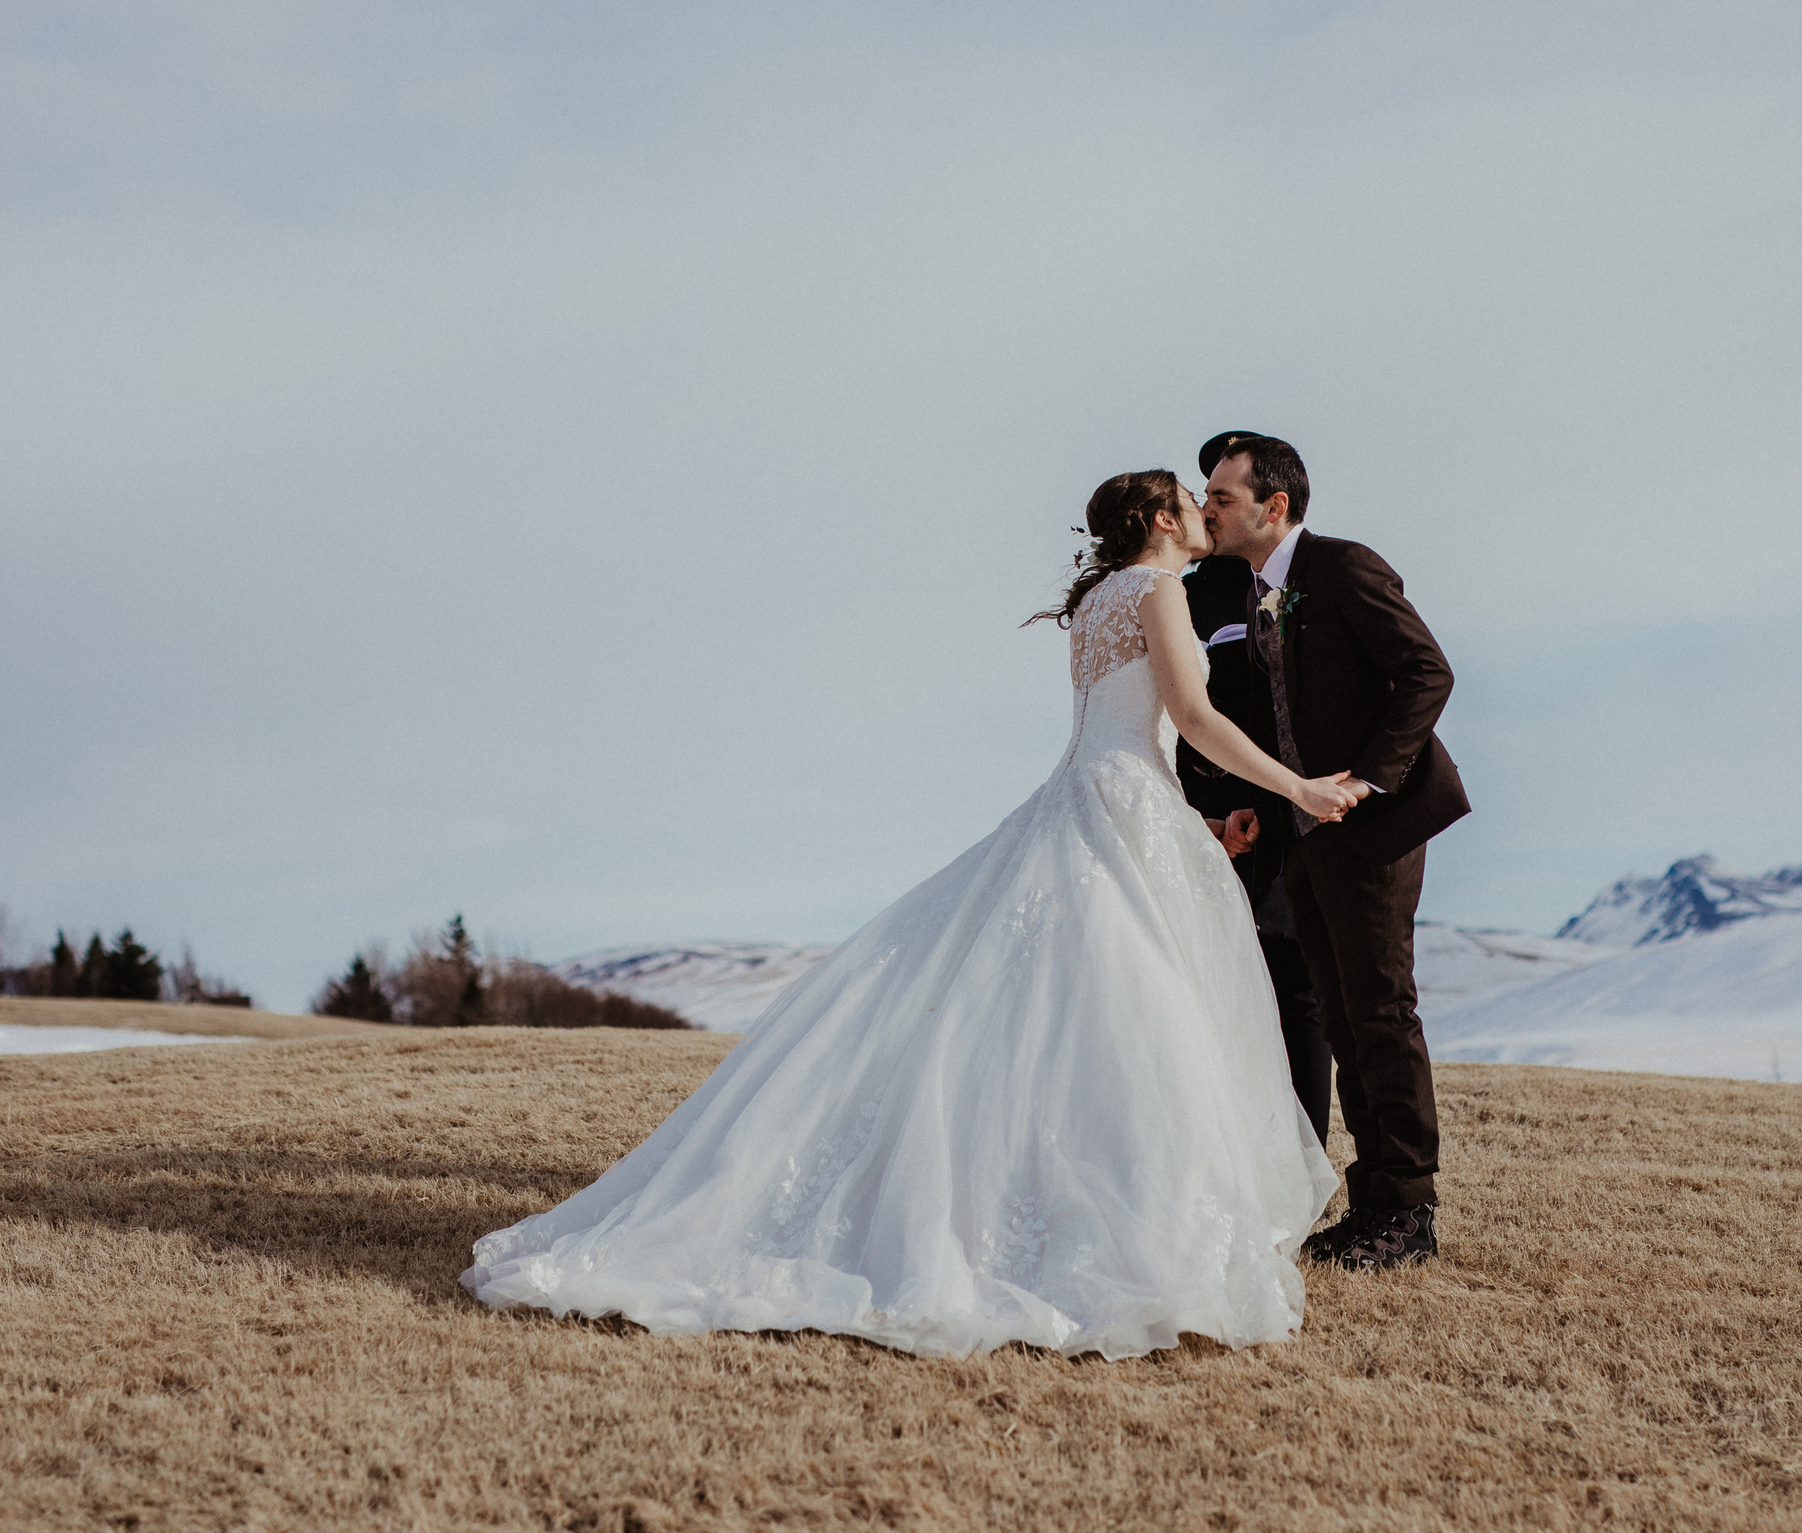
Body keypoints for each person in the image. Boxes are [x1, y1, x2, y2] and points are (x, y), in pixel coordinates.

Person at [462, 470, 1357, 1358]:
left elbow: (1121, 733)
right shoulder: (1159, 590)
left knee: (1076, 1014)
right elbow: (1190, 717)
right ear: (1161, 518)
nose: (1205, 510)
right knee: (1130, 1018)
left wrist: (1199, 820)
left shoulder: (1098, 603)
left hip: (1090, 799)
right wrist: (1298, 787)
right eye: (1192, 500)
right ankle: (1127, 1224)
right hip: (1123, 808)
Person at [1201, 436, 1469, 1271]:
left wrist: (1367, 779)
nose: (1207, 508)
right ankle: (1371, 1205)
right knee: (1346, 1019)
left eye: (1222, 496)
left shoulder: (1345, 566)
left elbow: (1427, 672)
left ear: (1273, 505)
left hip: (1371, 828)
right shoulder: (1256, 590)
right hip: (1303, 838)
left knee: (1381, 1012)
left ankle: (1410, 1212)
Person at [1177, 431, 1333, 1143]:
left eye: (1223, 494)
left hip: (1298, 809)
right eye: (1206, 493)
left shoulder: (1313, 578)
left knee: (1298, 986)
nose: (1209, 507)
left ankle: (1303, 1161)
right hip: (1212, 812)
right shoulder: (1184, 594)